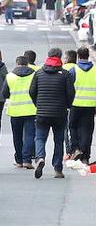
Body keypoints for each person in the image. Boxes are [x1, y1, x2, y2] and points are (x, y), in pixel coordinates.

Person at [29, 47, 75, 179]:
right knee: (58, 140)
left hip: (42, 112)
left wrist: (38, 104)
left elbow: (32, 92)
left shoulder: (39, 73)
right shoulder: (66, 74)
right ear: (60, 57)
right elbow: (71, 94)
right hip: (59, 113)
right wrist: (67, 105)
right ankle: (57, 168)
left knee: (40, 138)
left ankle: (40, 157)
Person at [6, 55, 38, 169]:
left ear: (17, 63)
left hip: (15, 110)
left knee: (17, 136)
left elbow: (4, 93)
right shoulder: (34, 75)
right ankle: (27, 160)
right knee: (30, 135)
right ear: (27, 64)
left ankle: (19, 160)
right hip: (31, 109)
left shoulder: (10, 76)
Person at [67, 46, 96, 163]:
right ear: (88, 56)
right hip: (91, 105)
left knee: (72, 127)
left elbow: (68, 88)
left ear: (78, 56)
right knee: (87, 130)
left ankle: (76, 149)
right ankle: (85, 156)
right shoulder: (95, 69)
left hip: (75, 104)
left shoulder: (73, 70)